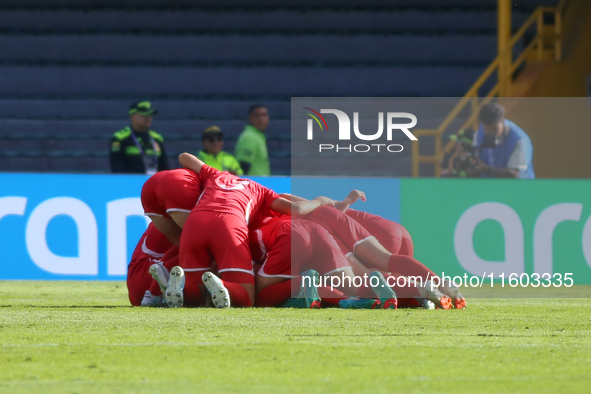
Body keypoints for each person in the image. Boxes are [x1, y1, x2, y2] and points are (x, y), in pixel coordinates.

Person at [471, 103, 535, 179]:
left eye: (495, 129)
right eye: (487, 129)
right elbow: (474, 158)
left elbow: (514, 174)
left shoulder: (519, 140)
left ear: (502, 121)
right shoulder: (479, 132)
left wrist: (486, 168)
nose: (491, 132)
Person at [110, 101, 169, 174]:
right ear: (132, 116)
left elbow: (164, 168)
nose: (148, 118)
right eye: (144, 115)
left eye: (150, 115)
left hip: (154, 182)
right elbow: (117, 168)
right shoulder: (120, 138)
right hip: (130, 183)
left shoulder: (157, 138)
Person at [235, 104, 270, 176]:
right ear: (250, 118)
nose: (261, 119)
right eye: (257, 115)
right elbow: (243, 165)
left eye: (264, 115)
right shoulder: (249, 137)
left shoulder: (258, 137)